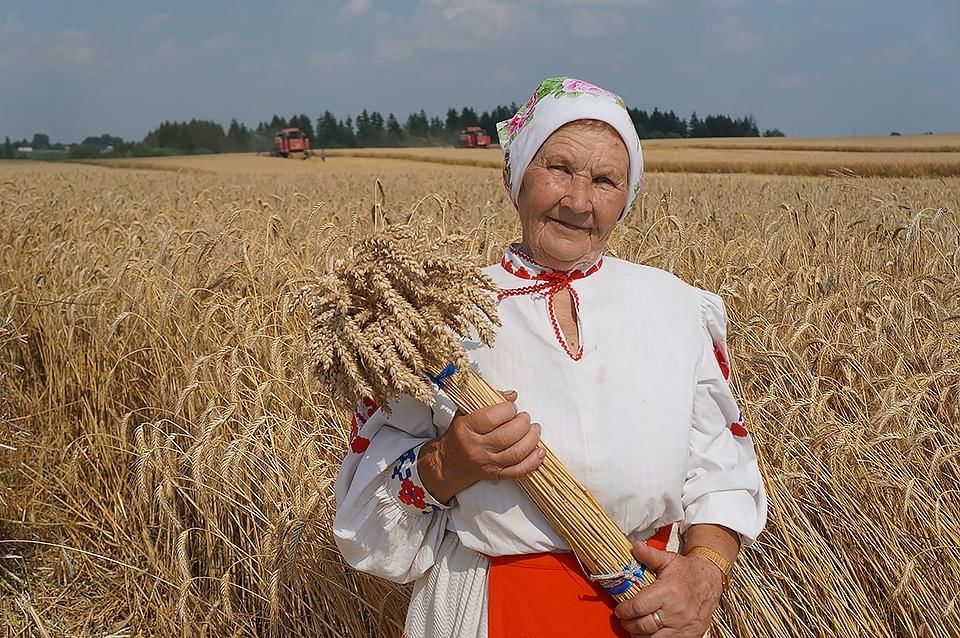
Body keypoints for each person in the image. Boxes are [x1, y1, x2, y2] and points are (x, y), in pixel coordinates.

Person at [334, 77, 767, 638]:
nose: (579, 200)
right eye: (559, 168)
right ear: (515, 178)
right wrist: (453, 462)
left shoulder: (677, 308)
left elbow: (721, 470)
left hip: (649, 615)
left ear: (627, 196)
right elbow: (366, 523)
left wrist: (703, 575)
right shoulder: (435, 319)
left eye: (606, 180)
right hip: (490, 612)